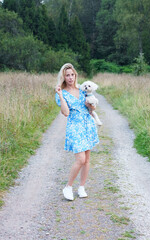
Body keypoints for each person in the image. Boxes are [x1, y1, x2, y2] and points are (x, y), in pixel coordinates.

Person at [55, 63, 99, 201]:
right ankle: (68, 186)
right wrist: (61, 95)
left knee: (87, 160)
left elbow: (92, 110)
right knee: (80, 159)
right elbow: (66, 112)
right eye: (67, 75)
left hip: (87, 125)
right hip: (75, 127)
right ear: (63, 77)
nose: (70, 77)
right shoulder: (61, 93)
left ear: (75, 75)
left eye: (72, 75)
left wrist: (90, 106)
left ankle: (81, 187)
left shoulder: (82, 89)